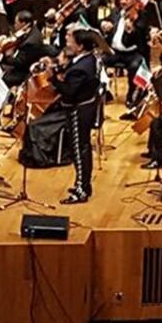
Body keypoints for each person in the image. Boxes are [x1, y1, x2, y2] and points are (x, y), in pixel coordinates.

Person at [45, 28, 100, 205]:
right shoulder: (88, 59)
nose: (67, 43)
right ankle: (84, 184)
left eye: (70, 41)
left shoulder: (81, 68)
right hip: (86, 107)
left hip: (79, 111)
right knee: (81, 148)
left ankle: (81, 190)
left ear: (80, 46)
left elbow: (68, 92)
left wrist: (52, 78)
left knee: (79, 150)